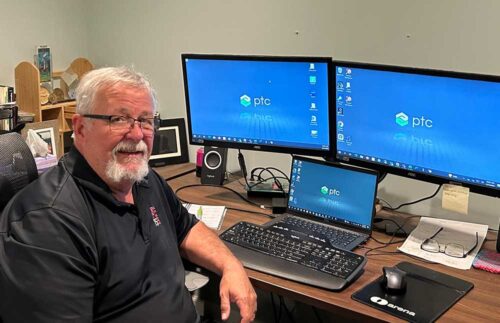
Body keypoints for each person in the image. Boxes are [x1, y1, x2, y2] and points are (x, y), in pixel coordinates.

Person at [0, 66, 257, 322]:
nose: (136, 134)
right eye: (118, 119)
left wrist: (230, 265)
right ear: (80, 129)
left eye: (146, 120)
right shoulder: (47, 222)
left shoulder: (144, 179)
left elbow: (186, 228)